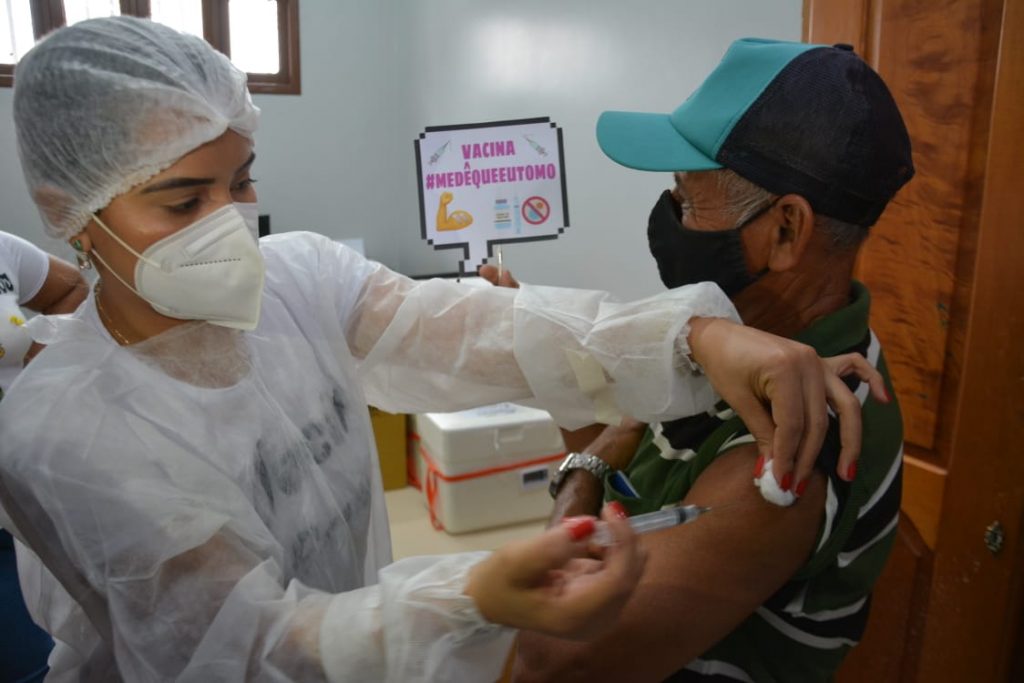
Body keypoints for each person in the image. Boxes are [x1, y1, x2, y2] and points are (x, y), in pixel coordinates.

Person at [0, 19, 879, 682]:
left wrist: (693, 335)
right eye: (182, 202)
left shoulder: (297, 277)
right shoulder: (64, 432)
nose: (230, 226)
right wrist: (470, 600)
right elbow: (254, 647)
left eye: (241, 181)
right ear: (66, 208)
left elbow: (475, 326)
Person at [509, 38, 912, 682]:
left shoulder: (797, 433)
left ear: (785, 230)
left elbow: (551, 658)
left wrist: (578, 479)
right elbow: (619, 461)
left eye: (690, 203)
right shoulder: (731, 333)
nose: (670, 222)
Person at [0, 230, 88, 683]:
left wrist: (43, 360)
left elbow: (71, 288)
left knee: (33, 661)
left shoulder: (1, 248)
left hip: (20, 495)